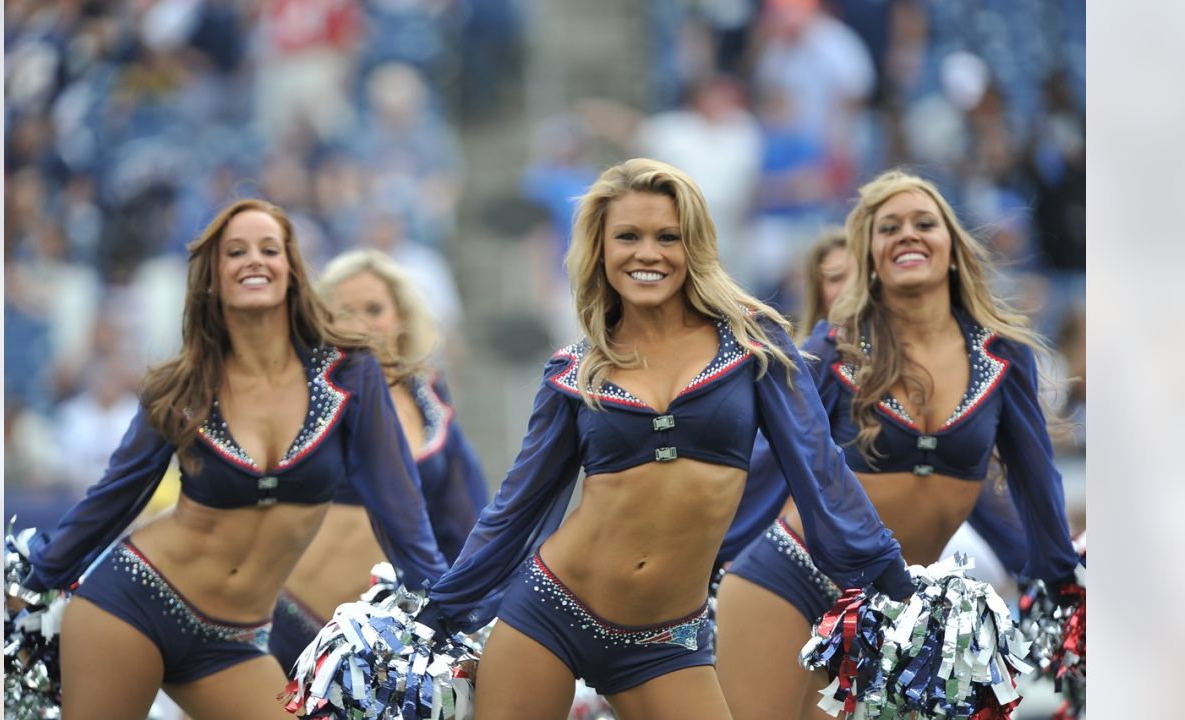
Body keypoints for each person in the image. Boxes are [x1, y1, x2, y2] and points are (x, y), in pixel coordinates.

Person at [413, 158, 914, 719]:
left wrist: (896, 586)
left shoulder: (755, 345)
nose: (646, 254)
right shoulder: (574, 371)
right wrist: (438, 613)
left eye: (667, 238)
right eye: (627, 236)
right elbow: (516, 506)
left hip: (664, 643)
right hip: (550, 610)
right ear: (601, 250)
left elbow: (819, 466)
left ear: (693, 246)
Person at [14, 199, 449, 720]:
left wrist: (447, 614)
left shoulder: (349, 375)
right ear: (212, 280)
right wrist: (30, 583)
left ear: (291, 270)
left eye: (270, 249)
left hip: (232, 644)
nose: (254, 260)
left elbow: (402, 511)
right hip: (133, 603)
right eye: (235, 252)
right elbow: (111, 500)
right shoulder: (181, 387)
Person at [714, 170, 1082, 720]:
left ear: (952, 248)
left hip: (902, 612)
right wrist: (702, 562)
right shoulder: (835, 350)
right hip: (790, 580)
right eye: (889, 228)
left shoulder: (1003, 357)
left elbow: (1035, 484)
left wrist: (1066, 586)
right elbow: (776, 464)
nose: (907, 234)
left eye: (923, 223)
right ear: (870, 258)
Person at [267, 248, 490, 675]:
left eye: (374, 309)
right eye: (343, 312)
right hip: (283, 619)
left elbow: (467, 519)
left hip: (380, 638)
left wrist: (471, 613)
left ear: (400, 318)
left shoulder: (430, 397)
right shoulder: (309, 394)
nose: (360, 324)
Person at [794, 225, 851, 342]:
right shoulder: (803, 357)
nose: (850, 287)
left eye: (858, 276)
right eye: (836, 278)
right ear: (818, 291)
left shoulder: (892, 345)